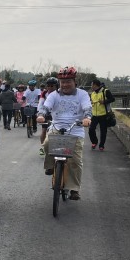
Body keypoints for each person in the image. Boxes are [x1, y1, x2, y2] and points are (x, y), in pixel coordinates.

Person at [37, 66, 92, 200]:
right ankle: (50, 166)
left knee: (75, 160)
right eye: (63, 82)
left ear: (74, 82)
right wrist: (41, 115)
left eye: (68, 81)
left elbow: (87, 108)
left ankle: (74, 189)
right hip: (57, 127)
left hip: (76, 129)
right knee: (46, 145)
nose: (65, 84)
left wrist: (87, 118)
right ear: (59, 83)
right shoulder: (54, 95)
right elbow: (46, 107)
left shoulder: (82, 94)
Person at [89, 79, 115, 151]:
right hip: (94, 115)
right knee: (91, 129)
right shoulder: (93, 93)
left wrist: (104, 101)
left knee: (103, 131)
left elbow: (112, 99)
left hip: (103, 115)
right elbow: (92, 102)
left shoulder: (105, 91)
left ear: (95, 85)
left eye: (92, 85)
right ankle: (94, 141)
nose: (91, 86)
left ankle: (101, 145)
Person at [37, 77, 58, 155]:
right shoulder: (44, 93)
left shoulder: (60, 93)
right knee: (44, 131)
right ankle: (42, 147)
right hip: (46, 114)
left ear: (56, 86)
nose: (49, 87)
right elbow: (40, 103)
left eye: (52, 86)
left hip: (56, 115)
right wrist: (40, 114)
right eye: (48, 86)